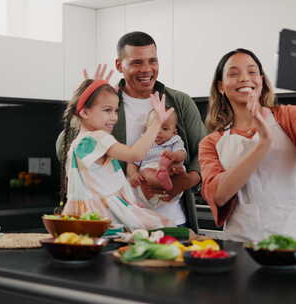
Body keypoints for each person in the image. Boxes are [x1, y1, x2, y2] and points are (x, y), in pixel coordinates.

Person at [198, 48, 296, 246]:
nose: (244, 78)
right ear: (221, 86)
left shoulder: (288, 116)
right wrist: (263, 144)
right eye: (233, 73)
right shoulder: (212, 142)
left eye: (252, 71)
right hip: (243, 245)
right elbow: (219, 194)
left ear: (261, 80)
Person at [56, 31, 207, 230]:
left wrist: (187, 181)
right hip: (121, 222)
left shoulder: (179, 102)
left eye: (152, 61)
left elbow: (203, 151)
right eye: (137, 63)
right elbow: (64, 149)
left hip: (173, 220)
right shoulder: (106, 103)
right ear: (119, 65)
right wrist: (91, 101)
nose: (147, 69)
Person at [58, 76, 175, 231]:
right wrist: (157, 122)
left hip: (83, 218)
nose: (114, 117)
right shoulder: (98, 138)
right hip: (107, 217)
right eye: (107, 110)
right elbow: (136, 154)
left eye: (115, 110)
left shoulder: (78, 143)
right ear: (85, 112)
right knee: (168, 228)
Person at [126, 109, 187, 209]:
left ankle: (165, 179)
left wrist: (174, 155)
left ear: (174, 131)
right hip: (150, 175)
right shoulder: (144, 143)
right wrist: (133, 174)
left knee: (178, 169)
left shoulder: (174, 141)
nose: (158, 132)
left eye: (165, 129)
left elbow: (182, 154)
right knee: (146, 173)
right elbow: (132, 162)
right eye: (154, 128)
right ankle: (163, 180)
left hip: (171, 175)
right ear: (146, 130)